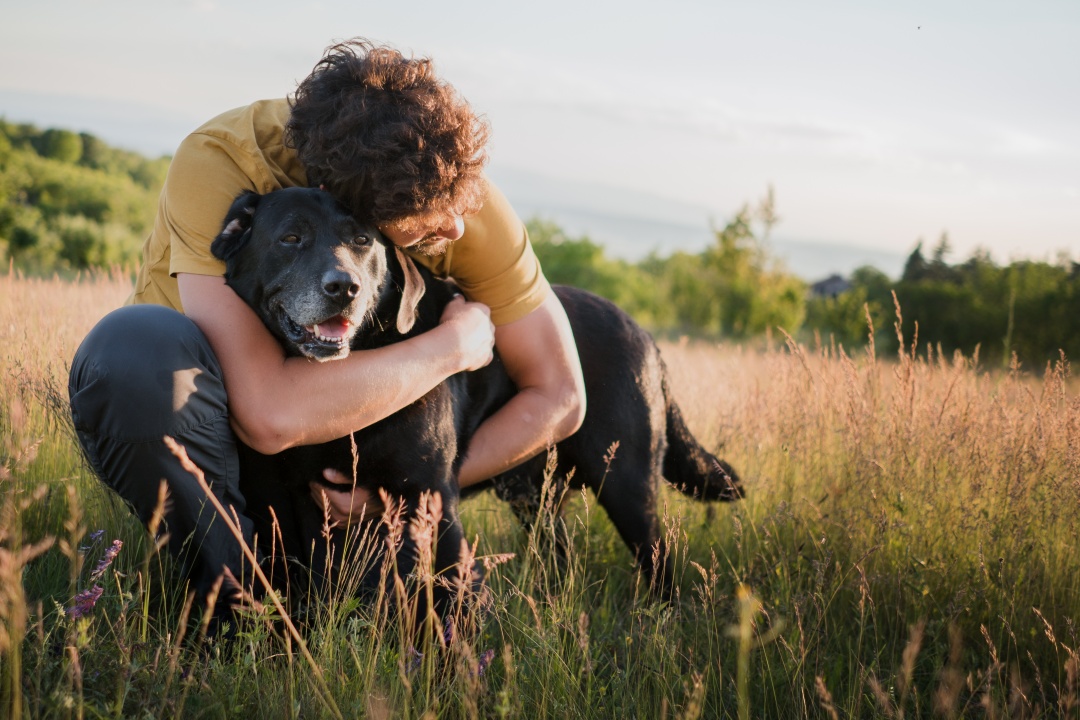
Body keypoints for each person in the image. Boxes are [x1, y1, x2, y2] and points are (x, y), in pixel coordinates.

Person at [68, 39, 586, 610]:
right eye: (428, 218)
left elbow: (561, 395)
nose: (456, 229)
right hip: (201, 407)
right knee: (134, 352)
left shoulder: (454, 194)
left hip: (338, 430)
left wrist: (409, 498)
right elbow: (269, 416)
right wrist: (452, 346)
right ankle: (233, 595)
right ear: (341, 206)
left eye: (459, 203)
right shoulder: (219, 159)